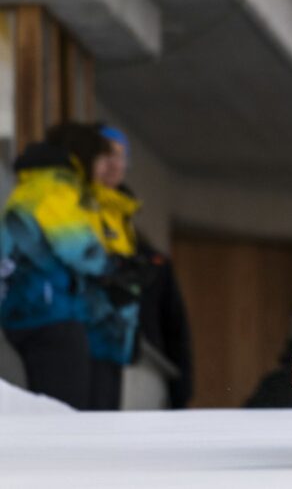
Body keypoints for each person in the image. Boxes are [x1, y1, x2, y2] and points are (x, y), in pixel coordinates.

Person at [0, 127, 108, 409]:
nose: (105, 169)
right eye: (102, 160)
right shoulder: (55, 190)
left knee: (46, 411)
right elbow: (80, 249)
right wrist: (108, 262)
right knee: (65, 415)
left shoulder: (24, 190)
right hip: (51, 315)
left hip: (22, 313)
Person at [92, 124, 193, 409]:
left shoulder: (148, 255)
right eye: (104, 155)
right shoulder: (75, 221)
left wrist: (181, 384)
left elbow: (173, 324)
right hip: (96, 356)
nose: (113, 165)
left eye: (121, 157)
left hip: (142, 363)